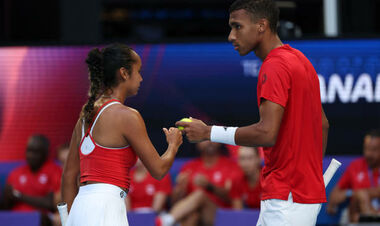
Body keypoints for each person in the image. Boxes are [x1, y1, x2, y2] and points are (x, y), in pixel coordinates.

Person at [176, 0, 330, 225]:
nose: (231, 36)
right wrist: (311, 176)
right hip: (295, 195)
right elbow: (323, 124)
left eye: (237, 26)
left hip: (286, 196)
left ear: (261, 26)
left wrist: (208, 132)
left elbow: (267, 133)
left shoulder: (275, 65)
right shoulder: (301, 60)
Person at [61, 43, 182, 226]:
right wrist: (173, 144)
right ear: (124, 73)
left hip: (80, 207)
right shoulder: (128, 116)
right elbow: (158, 170)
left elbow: (69, 177)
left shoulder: (85, 116)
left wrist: (67, 220)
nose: (141, 78)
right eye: (138, 71)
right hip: (107, 207)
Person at [157, 141, 240, 226]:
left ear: (219, 142)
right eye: (204, 139)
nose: (209, 142)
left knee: (200, 195)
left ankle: (166, 220)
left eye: (211, 138)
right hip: (195, 216)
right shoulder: (189, 167)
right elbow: (174, 203)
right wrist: (180, 188)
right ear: (197, 143)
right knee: (193, 216)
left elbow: (233, 198)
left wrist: (209, 186)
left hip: (220, 216)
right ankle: (169, 221)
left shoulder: (231, 166)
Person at [2, 135, 62, 226]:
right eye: (29, 150)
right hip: (15, 218)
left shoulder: (55, 171)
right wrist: (7, 196)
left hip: (41, 219)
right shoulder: (15, 173)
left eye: (36, 152)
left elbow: (51, 203)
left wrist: (19, 196)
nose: (31, 155)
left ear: (45, 153)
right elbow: (6, 207)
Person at [327, 129, 380, 223]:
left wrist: (365, 193)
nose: (368, 153)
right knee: (359, 200)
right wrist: (353, 193)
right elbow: (333, 198)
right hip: (356, 214)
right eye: (366, 149)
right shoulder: (355, 166)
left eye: (374, 150)